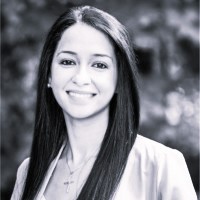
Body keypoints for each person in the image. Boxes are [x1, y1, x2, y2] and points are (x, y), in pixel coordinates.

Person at [11, 5, 197, 200]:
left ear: (119, 80)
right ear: (49, 74)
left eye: (99, 65)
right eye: (67, 62)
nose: (81, 78)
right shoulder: (28, 173)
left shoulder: (159, 165)